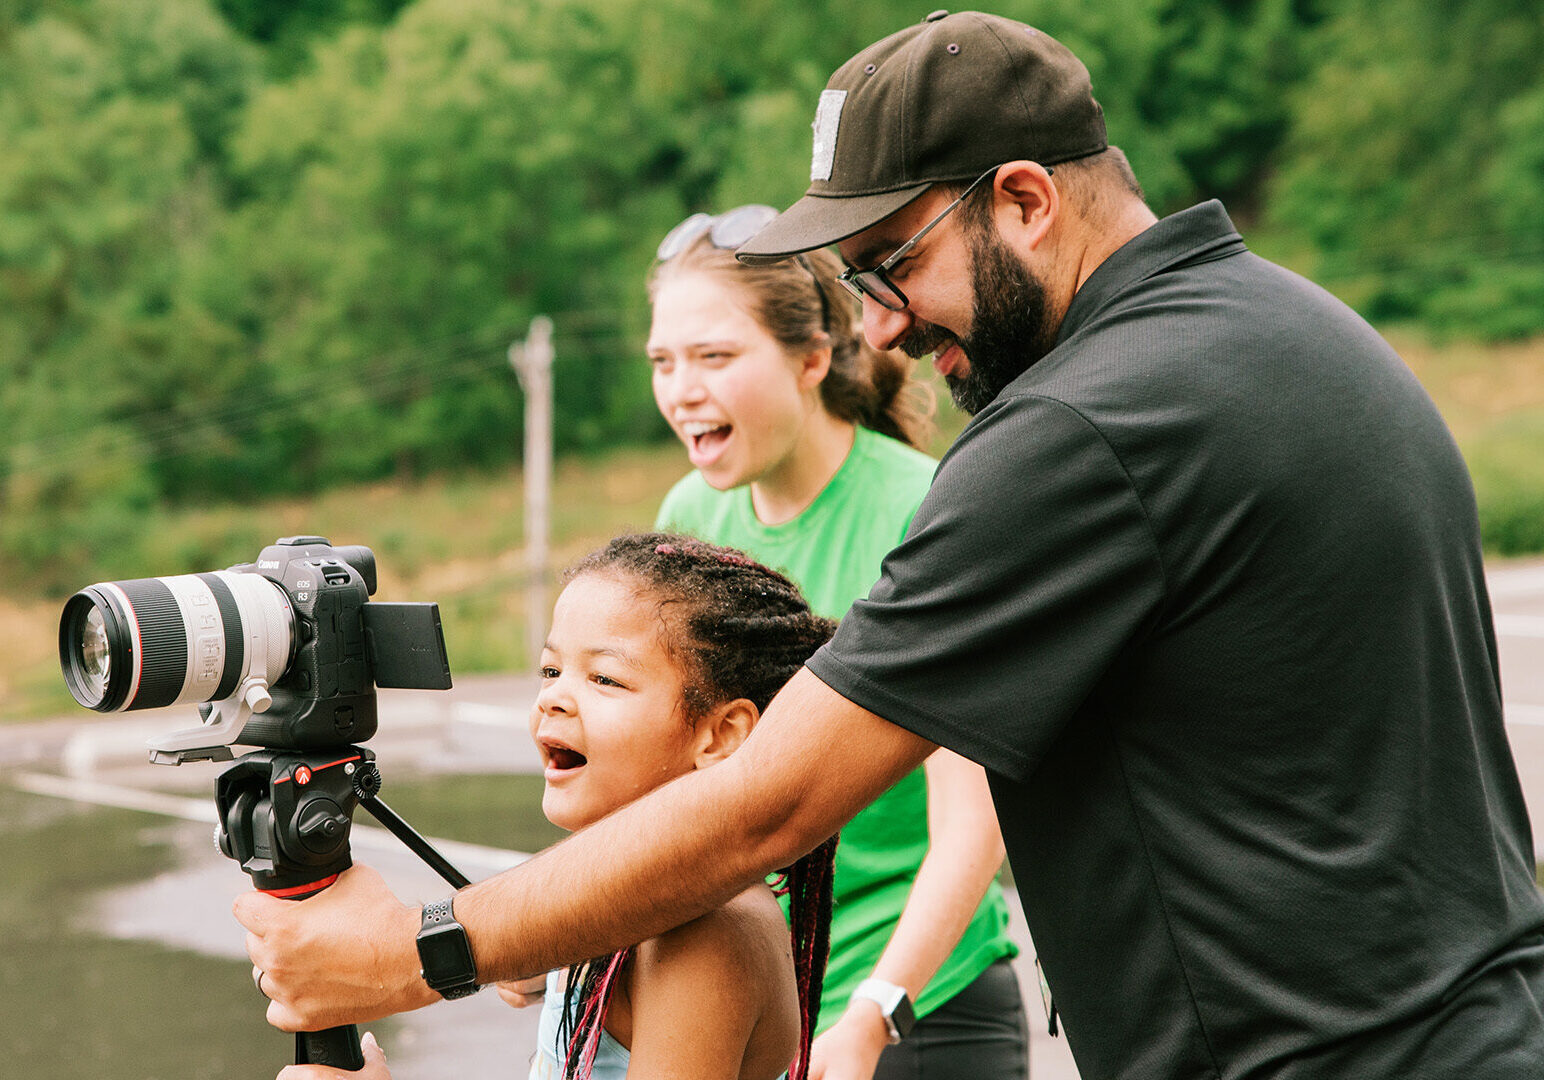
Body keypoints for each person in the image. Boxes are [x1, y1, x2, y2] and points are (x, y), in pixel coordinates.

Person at [238, 12, 1544, 1079]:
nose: (885, 332)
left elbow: (772, 802)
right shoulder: (1294, 334)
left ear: (1023, 200)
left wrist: (420, 952)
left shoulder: (1086, 430)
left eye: (889, 267)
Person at [644, 209, 1027, 1077]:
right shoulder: (686, 524)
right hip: (767, 998)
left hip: (920, 1006)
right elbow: (662, 790)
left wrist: (870, 1018)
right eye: (663, 362)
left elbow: (972, 828)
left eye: (714, 357)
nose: (681, 390)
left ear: (813, 359)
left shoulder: (928, 507)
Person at [274, 533, 840, 1080]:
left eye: (605, 678)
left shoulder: (705, 936)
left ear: (720, 736)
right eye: (551, 670)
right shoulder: (610, 899)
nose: (553, 697)